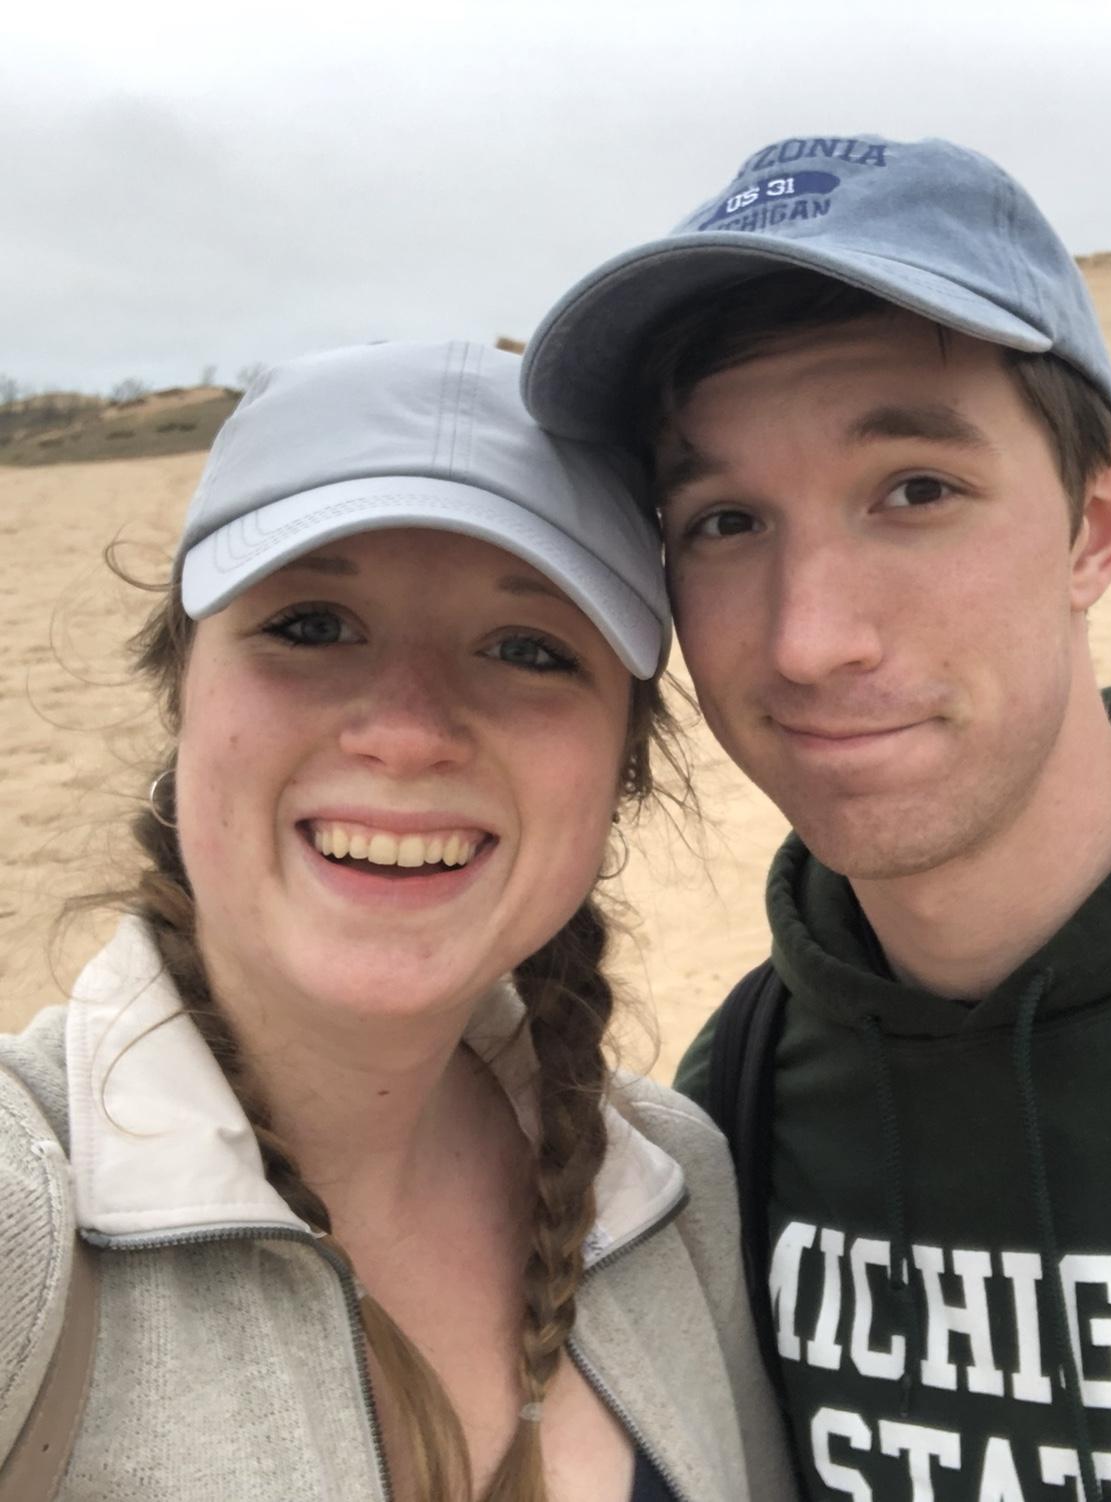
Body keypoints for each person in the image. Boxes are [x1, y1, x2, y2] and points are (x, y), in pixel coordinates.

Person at [517, 137, 1111, 1499]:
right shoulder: (740, 1097)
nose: (807, 640)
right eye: (725, 520)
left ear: (1096, 520)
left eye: (915, 490)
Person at [0, 340, 796, 1502]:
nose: (407, 732)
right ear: (183, 694)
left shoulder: (675, 1184)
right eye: (312, 625)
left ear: (618, 770)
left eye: (526, 649)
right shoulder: (26, 1210)